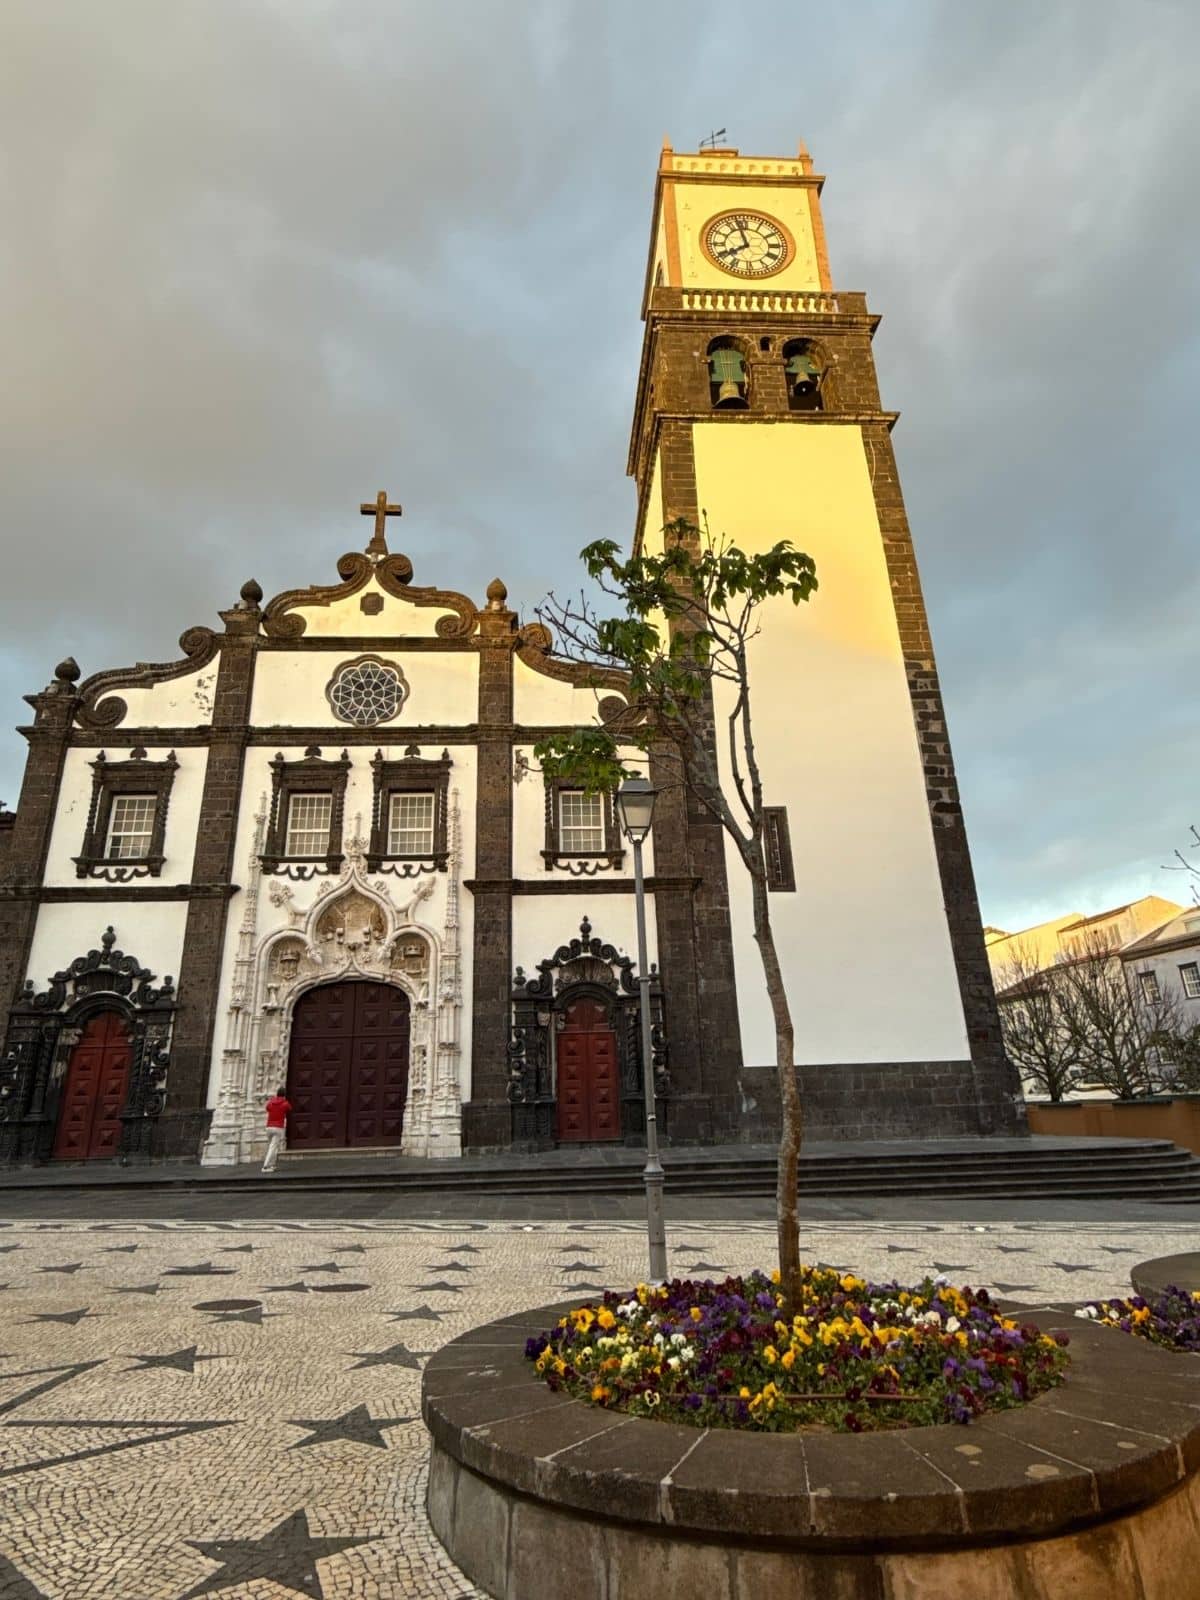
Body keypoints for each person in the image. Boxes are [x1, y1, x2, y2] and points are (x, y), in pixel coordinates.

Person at [262, 1086, 292, 1173]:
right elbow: (290, 1108)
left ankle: (272, 1165)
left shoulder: (271, 1102)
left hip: (269, 1127)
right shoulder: (285, 1103)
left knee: (272, 1146)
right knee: (273, 1147)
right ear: (284, 1095)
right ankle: (265, 1166)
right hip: (278, 1127)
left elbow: (267, 1108)